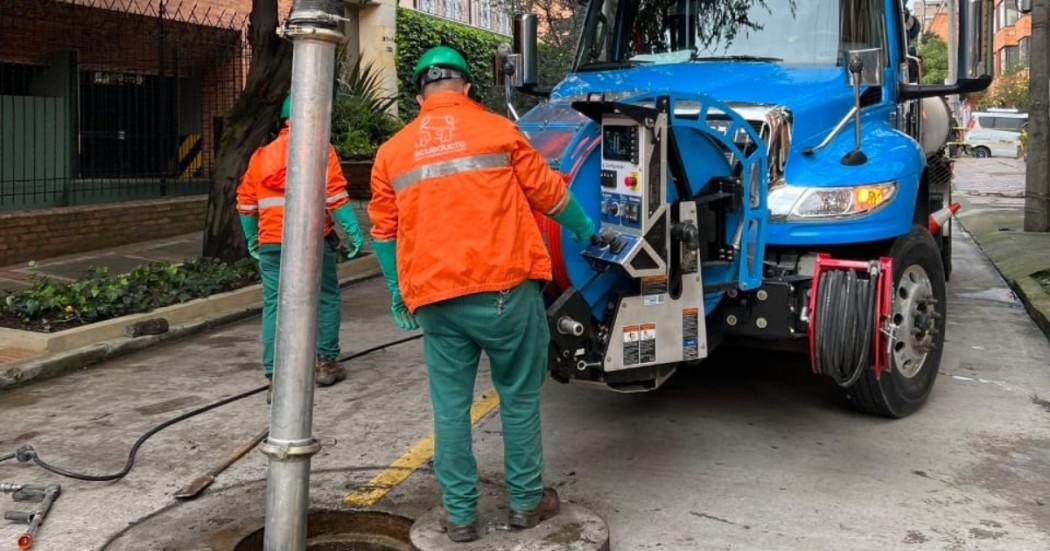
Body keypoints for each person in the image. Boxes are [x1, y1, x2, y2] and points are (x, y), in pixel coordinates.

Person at [367, 46, 595, 543]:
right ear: (468, 88)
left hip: (436, 300)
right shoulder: (498, 131)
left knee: (449, 409)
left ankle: (460, 515)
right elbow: (549, 193)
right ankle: (525, 504)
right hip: (505, 293)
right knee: (517, 398)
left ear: (419, 93)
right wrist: (585, 229)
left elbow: (383, 232)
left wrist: (397, 293)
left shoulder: (393, 152)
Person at [236, 96, 364, 392]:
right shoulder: (321, 150)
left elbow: (245, 204)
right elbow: (335, 197)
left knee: (275, 304)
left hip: (271, 242)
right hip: (313, 242)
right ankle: (325, 363)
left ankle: (274, 373)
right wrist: (354, 233)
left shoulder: (261, 156)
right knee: (326, 296)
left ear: (284, 120)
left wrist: (253, 239)